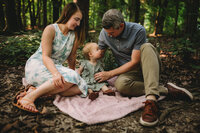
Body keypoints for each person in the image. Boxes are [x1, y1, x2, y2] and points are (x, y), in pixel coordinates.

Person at [94, 9, 193, 127]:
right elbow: (99, 54)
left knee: (146, 46)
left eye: (112, 33)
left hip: (148, 65)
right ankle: (165, 89)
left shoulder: (138, 30)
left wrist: (110, 74)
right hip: (129, 72)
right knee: (120, 85)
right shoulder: (105, 33)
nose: (109, 35)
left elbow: (135, 62)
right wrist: (88, 61)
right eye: (107, 33)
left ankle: (151, 101)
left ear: (121, 26)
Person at [13, 2, 88, 113]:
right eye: (76, 19)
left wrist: (71, 79)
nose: (78, 23)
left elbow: (71, 58)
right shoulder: (51, 29)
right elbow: (45, 56)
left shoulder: (74, 35)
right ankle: (29, 98)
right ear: (67, 14)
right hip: (38, 65)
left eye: (80, 21)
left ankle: (37, 90)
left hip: (55, 68)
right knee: (73, 77)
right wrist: (57, 74)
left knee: (81, 87)